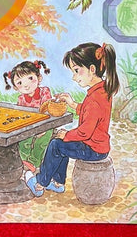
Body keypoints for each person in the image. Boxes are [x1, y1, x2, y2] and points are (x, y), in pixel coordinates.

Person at [24, 42, 119, 197]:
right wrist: (72, 103)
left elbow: (85, 132)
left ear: (92, 69)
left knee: (56, 145)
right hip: (98, 146)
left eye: (76, 71)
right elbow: (90, 113)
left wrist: (67, 135)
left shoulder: (94, 99)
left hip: (92, 149)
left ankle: (40, 183)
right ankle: (58, 183)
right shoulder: (101, 91)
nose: (74, 77)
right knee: (61, 144)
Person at [3, 60, 52, 172]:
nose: (26, 85)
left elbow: (47, 111)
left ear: (39, 78)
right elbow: (21, 116)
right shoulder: (21, 99)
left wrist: (42, 128)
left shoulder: (44, 92)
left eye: (30, 78)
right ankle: (24, 161)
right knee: (23, 139)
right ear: (16, 87)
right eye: (19, 83)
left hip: (45, 124)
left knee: (42, 140)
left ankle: (34, 161)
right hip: (28, 126)